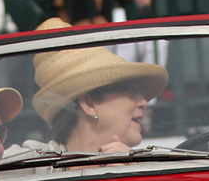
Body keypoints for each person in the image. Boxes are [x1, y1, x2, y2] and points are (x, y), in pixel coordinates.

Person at [29, 17, 169, 153]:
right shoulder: (25, 165)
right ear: (89, 104)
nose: (144, 102)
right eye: (131, 91)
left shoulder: (152, 170)